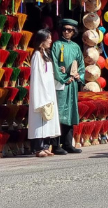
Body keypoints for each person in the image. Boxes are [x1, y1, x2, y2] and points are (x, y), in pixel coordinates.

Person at [50, 19, 85, 154]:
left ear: (74, 32)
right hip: (61, 84)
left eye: (69, 30)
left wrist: (78, 76)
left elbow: (81, 65)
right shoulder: (56, 45)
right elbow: (53, 64)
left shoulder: (76, 47)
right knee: (58, 113)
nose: (66, 32)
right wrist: (65, 77)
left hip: (73, 85)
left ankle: (68, 144)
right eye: (64, 29)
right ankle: (56, 145)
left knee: (70, 112)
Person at [28, 29, 61, 157]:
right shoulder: (37, 55)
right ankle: (38, 147)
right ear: (42, 40)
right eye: (48, 38)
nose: (50, 40)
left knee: (48, 118)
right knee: (39, 120)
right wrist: (42, 94)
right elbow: (37, 76)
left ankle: (46, 145)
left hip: (49, 90)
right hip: (41, 91)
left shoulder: (46, 54)